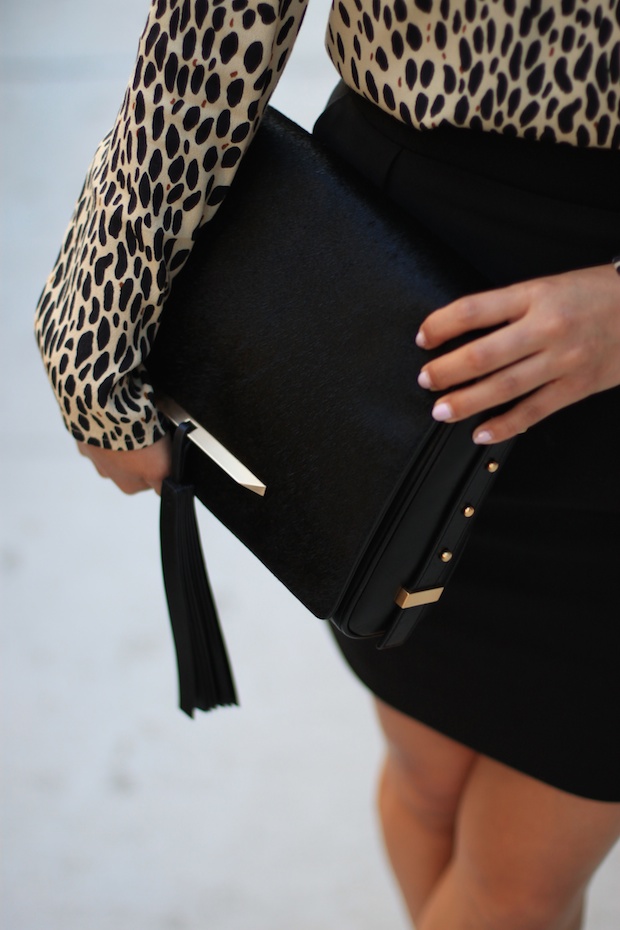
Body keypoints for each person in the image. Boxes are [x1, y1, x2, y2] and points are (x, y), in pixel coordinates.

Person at [35, 1, 620, 927]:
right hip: (384, 290)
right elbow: (209, 29)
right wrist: (97, 330)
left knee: (521, 887)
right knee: (426, 779)